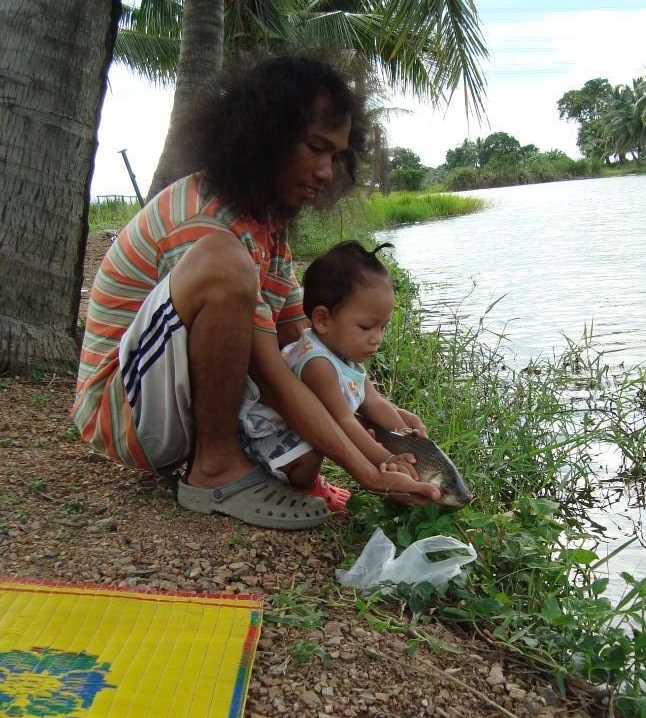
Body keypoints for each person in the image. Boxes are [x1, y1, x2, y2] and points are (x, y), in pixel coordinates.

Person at [72, 55, 440, 530]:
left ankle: (231, 460)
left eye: (336, 156)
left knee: (299, 429)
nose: (327, 171)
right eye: (315, 148)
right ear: (267, 135)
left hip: (168, 402)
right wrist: (368, 471)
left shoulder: (267, 222)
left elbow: (299, 344)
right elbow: (271, 373)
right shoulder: (206, 218)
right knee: (223, 261)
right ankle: (215, 469)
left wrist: (380, 426)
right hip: (122, 409)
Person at [239, 240, 421, 513]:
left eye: (383, 327)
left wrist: (408, 437)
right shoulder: (317, 363)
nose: (377, 339)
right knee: (317, 448)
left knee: (363, 427)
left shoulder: (343, 350)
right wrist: (388, 458)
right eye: (366, 327)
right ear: (323, 319)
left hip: (296, 428)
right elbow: (343, 422)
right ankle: (299, 485)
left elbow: (373, 402)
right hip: (266, 442)